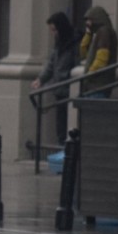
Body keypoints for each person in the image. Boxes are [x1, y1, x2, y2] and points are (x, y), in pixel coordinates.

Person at [31, 11, 79, 141]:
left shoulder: (74, 45)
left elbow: (76, 65)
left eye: (54, 30)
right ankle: (62, 149)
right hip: (60, 90)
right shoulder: (59, 44)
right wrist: (40, 79)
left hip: (68, 89)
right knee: (61, 127)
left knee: (69, 126)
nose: (53, 33)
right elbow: (51, 64)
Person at [79, 5, 118, 97]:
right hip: (95, 84)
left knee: (92, 109)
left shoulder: (104, 32)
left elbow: (102, 58)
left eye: (89, 20)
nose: (87, 23)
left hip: (98, 84)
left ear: (96, 19)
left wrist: (90, 73)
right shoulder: (98, 33)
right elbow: (83, 52)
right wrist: (88, 34)